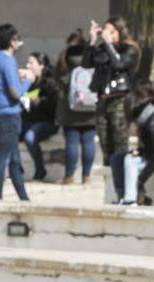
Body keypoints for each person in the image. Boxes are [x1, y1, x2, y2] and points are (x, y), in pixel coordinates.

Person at [82, 16, 140, 168]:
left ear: (120, 31)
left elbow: (119, 63)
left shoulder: (129, 49)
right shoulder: (104, 49)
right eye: (105, 30)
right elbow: (86, 63)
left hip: (120, 100)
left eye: (111, 31)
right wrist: (93, 41)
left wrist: (109, 44)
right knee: (105, 143)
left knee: (119, 143)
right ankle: (110, 181)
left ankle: (122, 182)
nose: (107, 34)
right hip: (103, 99)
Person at [0, 23, 31, 201]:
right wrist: (28, 81)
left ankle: (23, 197)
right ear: (12, 41)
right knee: (3, 158)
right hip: (9, 113)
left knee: (14, 158)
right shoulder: (8, 60)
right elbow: (15, 91)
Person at [55, 29, 97, 185]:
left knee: (72, 142)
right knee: (88, 141)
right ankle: (86, 176)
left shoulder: (64, 58)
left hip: (70, 107)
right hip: (90, 106)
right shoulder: (92, 58)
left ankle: (69, 175)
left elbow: (58, 78)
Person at [19, 52, 59, 182]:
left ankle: (40, 169)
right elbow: (24, 106)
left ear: (41, 66)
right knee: (9, 134)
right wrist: (22, 86)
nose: (27, 66)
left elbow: (54, 104)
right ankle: (16, 169)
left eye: (31, 63)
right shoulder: (29, 83)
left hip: (46, 122)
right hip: (29, 120)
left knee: (30, 137)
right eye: (27, 63)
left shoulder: (50, 82)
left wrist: (41, 101)